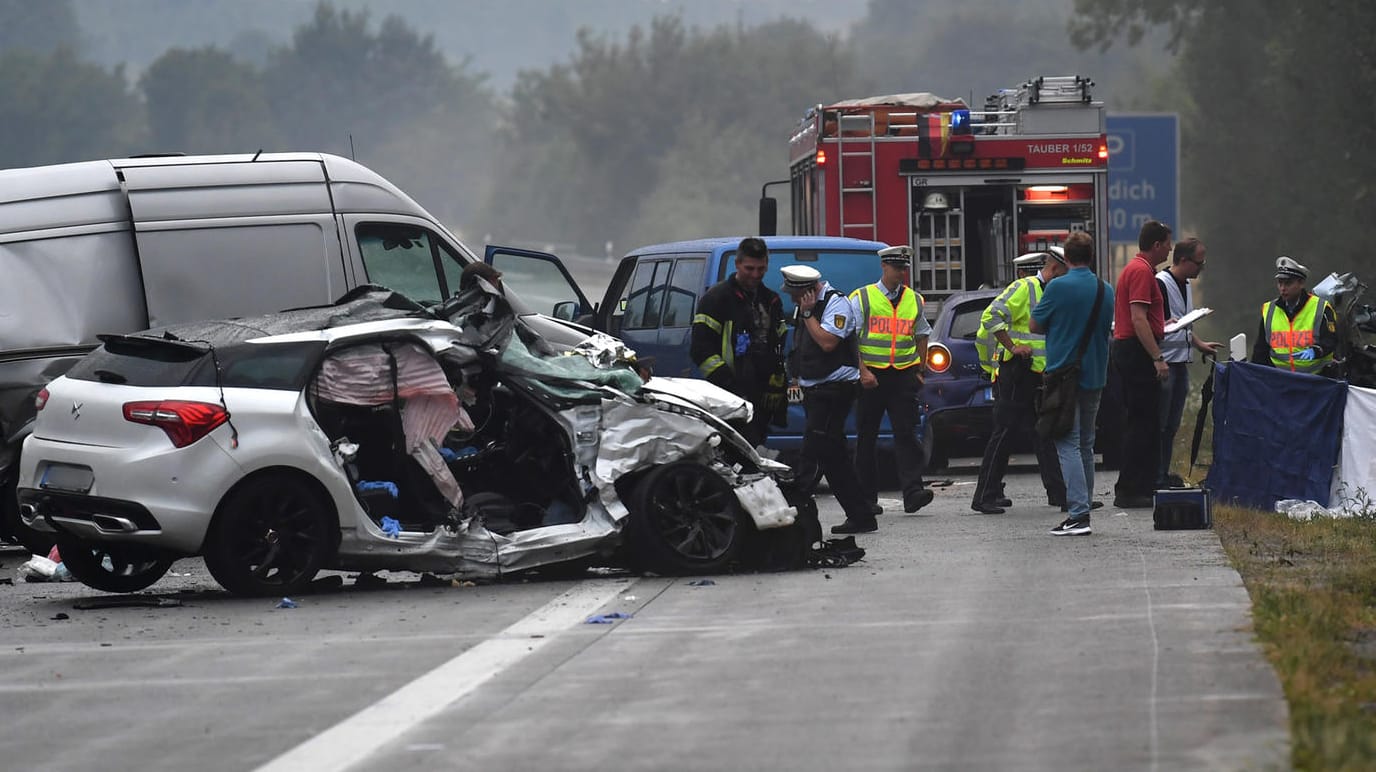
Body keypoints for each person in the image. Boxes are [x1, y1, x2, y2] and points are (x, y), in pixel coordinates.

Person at [970, 248, 1069, 514]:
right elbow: (990, 317)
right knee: (1004, 433)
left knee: (1044, 434)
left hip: (1040, 374)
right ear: (1056, 269)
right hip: (1017, 372)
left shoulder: (1052, 292)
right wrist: (1012, 346)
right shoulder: (1024, 287)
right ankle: (984, 496)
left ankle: (1060, 495)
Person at [780, 264, 876, 535]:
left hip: (834, 390)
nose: (792, 300)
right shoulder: (807, 306)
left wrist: (809, 313)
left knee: (812, 452)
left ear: (807, 292)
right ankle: (861, 515)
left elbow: (827, 342)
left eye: (795, 295)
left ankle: (794, 512)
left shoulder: (836, 304)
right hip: (815, 390)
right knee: (834, 457)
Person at [1030, 232, 1114, 535]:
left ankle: (1078, 514)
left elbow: (1034, 324)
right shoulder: (1106, 290)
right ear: (1090, 256)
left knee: (1066, 441)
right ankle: (1085, 505)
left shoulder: (1057, 287)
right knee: (1087, 445)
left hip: (1064, 375)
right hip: (1095, 374)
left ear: (1066, 257)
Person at [848, 245, 934, 515]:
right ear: (884, 267)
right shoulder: (862, 298)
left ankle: (913, 492)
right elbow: (850, 339)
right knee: (866, 437)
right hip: (871, 375)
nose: (900, 273)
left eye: (903, 269)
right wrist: (862, 371)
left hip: (902, 374)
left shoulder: (914, 300)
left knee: (906, 433)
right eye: (896, 268)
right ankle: (865, 498)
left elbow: (922, 334)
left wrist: (920, 369)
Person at [691, 237, 788, 446]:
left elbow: (779, 343)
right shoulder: (716, 299)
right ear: (737, 264)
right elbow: (700, 349)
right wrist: (728, 384)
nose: (755, 275)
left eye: (761, 269)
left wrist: (777, 379)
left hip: (761, 394)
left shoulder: (771, 300)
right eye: (749, 268)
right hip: (727, 394)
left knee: (755, 445)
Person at [1110, 220, 1172, 509]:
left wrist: (1163, 324)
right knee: (1142, 423)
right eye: (1168, 243)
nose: (1171, 248)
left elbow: (1144, 317)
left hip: (1133, 349)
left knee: (1145, 421)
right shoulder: (1140, 272)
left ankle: (1143, 484)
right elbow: (1137, 319)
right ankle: (1131, 488)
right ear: (1157, 245)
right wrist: (1157, 357)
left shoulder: (1141, 270)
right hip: (1135, 352)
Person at [1155, 238, 1222, 485]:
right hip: (1165, 364)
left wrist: (1199, 344)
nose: (1201, 268)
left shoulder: (1185, 284)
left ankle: (1163, 472)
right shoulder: (1161, 284)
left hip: (1180, 363)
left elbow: (1181, 322)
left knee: (1171, 425)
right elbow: (1158, 324)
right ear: (1183, 260)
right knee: (1161, 424)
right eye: (1198, 263)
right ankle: (1156, 475)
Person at [1250, 256, 1339, 376]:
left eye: (1288, 283)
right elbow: (1261, 350)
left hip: (1316, 380)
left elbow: (1331, 340)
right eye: (1280, 283)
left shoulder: (1321, 308)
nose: (1283, 288)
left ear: (1301, 283)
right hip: (1280, 381)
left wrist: (1316, 350)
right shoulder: (1269, 310)